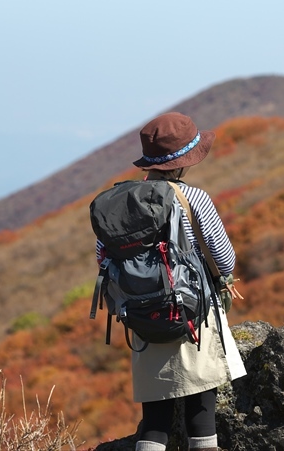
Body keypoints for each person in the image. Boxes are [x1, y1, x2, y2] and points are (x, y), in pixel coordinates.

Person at [96, 111, 245, 451]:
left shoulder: (121, 204)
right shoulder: (194, 199)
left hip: (143, 318)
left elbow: (102, 258)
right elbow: (223, 257)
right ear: (184, 161)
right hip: (195, 314)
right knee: (201, 411)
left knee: (155, 420)